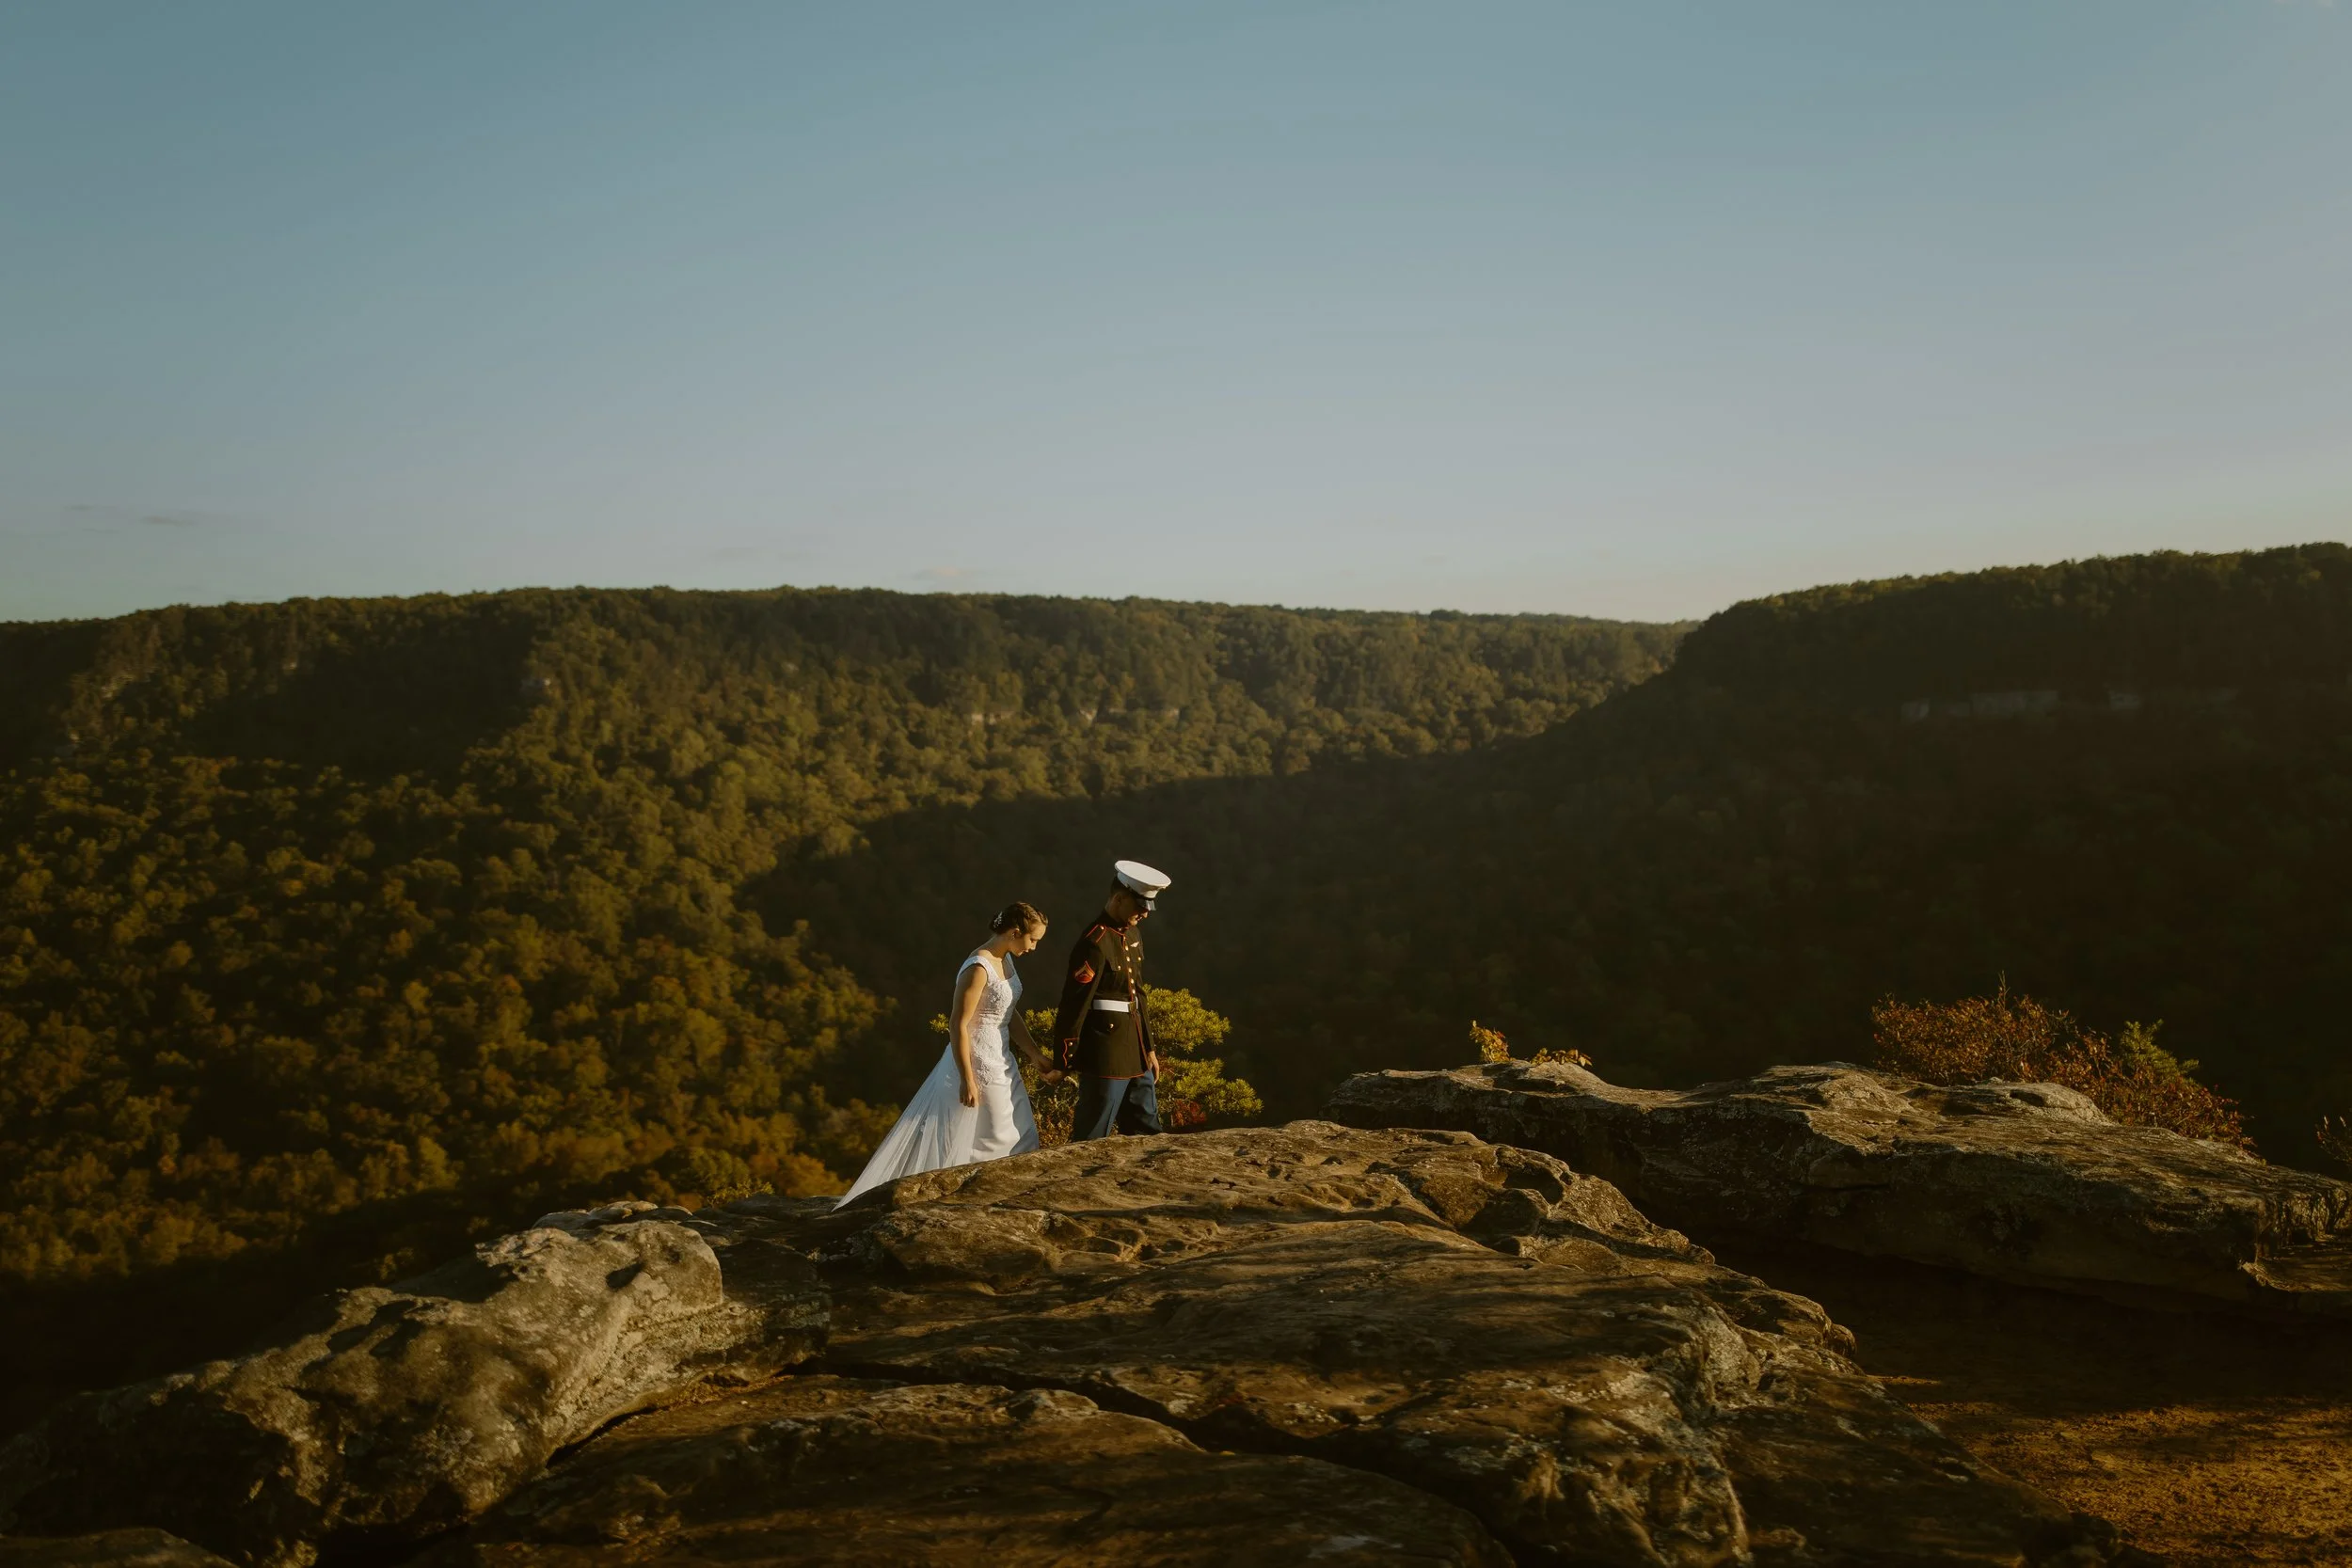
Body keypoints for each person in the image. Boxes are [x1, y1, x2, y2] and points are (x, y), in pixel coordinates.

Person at [836, 901, 1063, 1206]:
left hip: (1003, 1058)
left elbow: (1008, 1011)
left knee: (1021, 1133)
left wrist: (1033, 1053)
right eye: (1032, 939)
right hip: (978, 1060)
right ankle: (970, 1201)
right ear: (1014, 932)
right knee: (994, 1135)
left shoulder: (1007, 959)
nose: (1034, 947)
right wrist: (967, 1079)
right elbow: (958, 1025)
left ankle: (1002, 1201)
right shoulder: (978, 966)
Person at [1052, 860, 1172, 1141]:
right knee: (1093, 1131)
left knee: (1147, 1130)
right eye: (1140, 907)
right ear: (1119, 899)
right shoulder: (1094, 942)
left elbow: (1138, 994)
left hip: (1137, 1050)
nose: (1145, 914)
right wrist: (1064, 1059)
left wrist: (1150, 1049)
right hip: (1104, 1053)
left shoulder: (1133, 935)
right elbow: (1074, 1004)